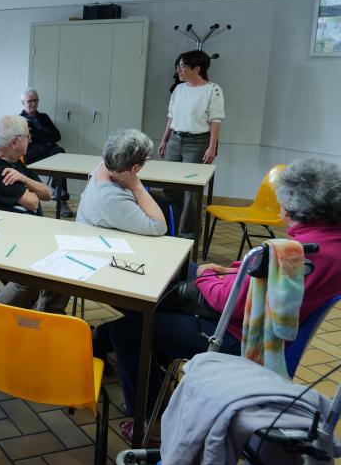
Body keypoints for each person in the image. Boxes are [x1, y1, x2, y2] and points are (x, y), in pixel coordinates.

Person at [99, 157, 341, 441]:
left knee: (131, 328)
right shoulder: (328, 244)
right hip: (263, 324)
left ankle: (153, 424)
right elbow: (263, 278)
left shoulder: (297, 253)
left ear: (292, 208)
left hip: (241, 337)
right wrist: (232, 271)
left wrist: (204, 275)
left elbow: (232, 305)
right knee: (160, 291)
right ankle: (151, 382)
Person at [0, 116, 68, 313]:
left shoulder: (14, 164)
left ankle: (47, 316)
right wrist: (31, 191)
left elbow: (47, 194)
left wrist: (24, 178)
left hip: (20, 236)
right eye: (27, 137)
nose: (30, 141)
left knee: (64, 264)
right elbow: (33, 202)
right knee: (33, 276)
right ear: (15, 142)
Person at [157, 50, 225, 238]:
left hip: (197, 142)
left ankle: (188, 235)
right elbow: (171, 117)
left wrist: (212, 147)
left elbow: (216, 120)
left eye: (183, 67)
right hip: (175, 140)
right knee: (169, 187)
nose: (179, 71)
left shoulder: (213, 90)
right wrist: (164, 139)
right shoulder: (179, 89)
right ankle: (169, 228)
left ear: (197, 68)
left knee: (191, 191)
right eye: (178, 67)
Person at [76, 129, 167, 236]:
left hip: (91, 228)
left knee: (164, 203)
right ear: (135, 168)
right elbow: (159, 227)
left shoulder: (105, 165)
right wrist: (136, 186)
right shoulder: (113, 197)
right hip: (96, 241)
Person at [20, 88, 73, 217]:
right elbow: (31, 141)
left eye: (36, 100)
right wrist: (45, 133)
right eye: (30, 101)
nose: (33, 104)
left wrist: (40, 134)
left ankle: (60, 196)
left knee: (60, 152)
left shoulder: (43, 117)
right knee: (56, 152)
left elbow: (57, 136)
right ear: (23, 103)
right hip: (30, 156)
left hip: (48, 152)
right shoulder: (19, 120)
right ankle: (59, 193)